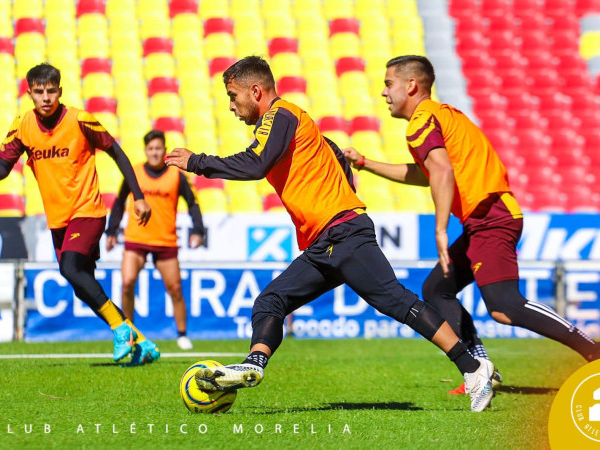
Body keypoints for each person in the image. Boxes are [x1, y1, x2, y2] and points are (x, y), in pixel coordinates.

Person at [165, 56, 495, 412]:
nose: (231, 106)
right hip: (326, 242)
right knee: (270, 301)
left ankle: (474, 369)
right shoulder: (291, 122)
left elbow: (256, 164)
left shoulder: (280, 115)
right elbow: (333, 153)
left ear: (255, 91)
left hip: (343, 234)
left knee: (398, 302)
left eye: (233, 96)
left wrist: (198, 162)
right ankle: (254, 365)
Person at [342, 55, 600, 392]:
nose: (384, 92)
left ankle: (597, 350)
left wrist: (441, 230)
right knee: (436, 289)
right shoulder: (439, 117)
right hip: (486, 218)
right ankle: (479, 367)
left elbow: (440, 171)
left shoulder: (421, 122)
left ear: (411, 85)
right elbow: (428, 172)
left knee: (504, 306)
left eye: (389, 84)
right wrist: (367, 163)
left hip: (491, 217)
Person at [0, 63, 160, 366]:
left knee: (71, 269)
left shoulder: (80, 120)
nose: (45, 97)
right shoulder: (23, 125)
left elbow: (118, 153)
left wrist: (138, 197)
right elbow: (4, 165)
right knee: (83, 285)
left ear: (60, 91)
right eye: (38, 92)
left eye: (50, 91)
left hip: (87, 211)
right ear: (30, 93)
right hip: (58, 219)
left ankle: (121, 329)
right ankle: (140, 341)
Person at [105, 129, 206, 350]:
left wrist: (198, 230)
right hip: (136, 238)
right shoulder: (135, 173)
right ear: (146, 150)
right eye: (150, 148)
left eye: (158, 148)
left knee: (176, 288)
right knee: (127, 282)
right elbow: (120, 202)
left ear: (164, 150)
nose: (154, 152)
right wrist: (111, 231)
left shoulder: (176, 175)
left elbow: (193, 203)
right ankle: (128, 333)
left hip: (165, 240)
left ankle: (181, 334)